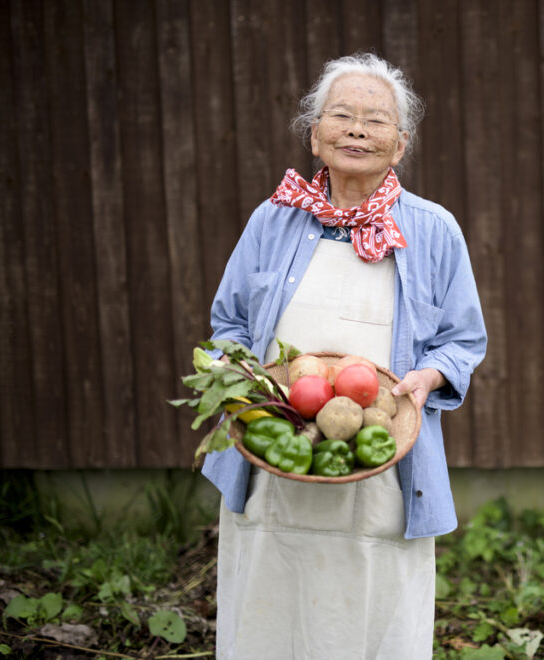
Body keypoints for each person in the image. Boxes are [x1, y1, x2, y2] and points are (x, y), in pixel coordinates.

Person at [200, 52, 487, 659]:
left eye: (376, 120)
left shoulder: (434, 230)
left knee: (372, 614)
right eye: (342, 115)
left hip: (381, 457)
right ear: (315, 135)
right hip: (275, 450)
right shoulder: (272, 219)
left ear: (400, 144)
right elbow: (228, 322)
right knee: (268, 612)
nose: (357, 130)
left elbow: (463, 340)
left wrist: (429, 376)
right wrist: (236, 371)